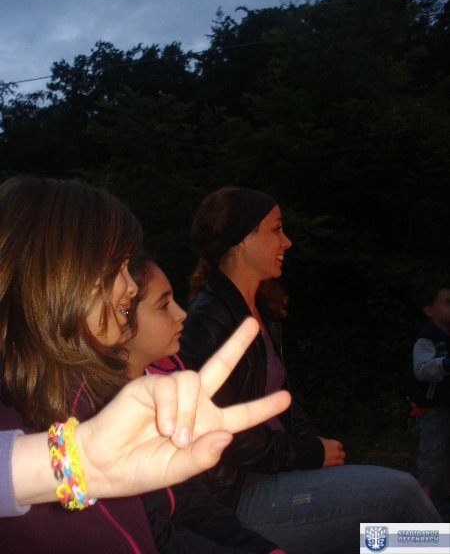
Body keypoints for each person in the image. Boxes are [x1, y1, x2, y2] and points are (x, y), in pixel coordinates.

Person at [0, 176, 290, 551]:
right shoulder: (22, 406)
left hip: (235, 511)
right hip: (251, 491)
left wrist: (79, 460)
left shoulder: (83, 394)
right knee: (370, 502)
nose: (132, 286)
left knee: (370, 521)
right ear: (55, 269)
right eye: (115, 264)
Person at [179, 186, 443, 554]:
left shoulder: (259, 309)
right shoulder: (210, 320)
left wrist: (315, 446)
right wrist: (308, 454)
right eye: (276, 229)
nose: (286, 241)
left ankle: (425, 547)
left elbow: (282, 400)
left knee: (375, 536)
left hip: (275, 474)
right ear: (243, 239)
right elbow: (223, 435)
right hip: (241, 497)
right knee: (400, 496)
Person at [123, 251, 284, 553]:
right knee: (382, 499)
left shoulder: (168, 374)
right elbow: (152, 533)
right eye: (163, 305)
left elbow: (188, 497)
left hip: (219, 515)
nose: (181, 313)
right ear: (121, 314)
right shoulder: (104, 406)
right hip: (242, 492)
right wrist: (306, 453)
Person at [409, 278, 450, 521]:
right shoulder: (428, 335)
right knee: (432, 462)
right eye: (447, 303)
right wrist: (444, 364)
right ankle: (423, 517)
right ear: (429, 310)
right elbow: (421, 369)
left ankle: (442, 514)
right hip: (432, 410)